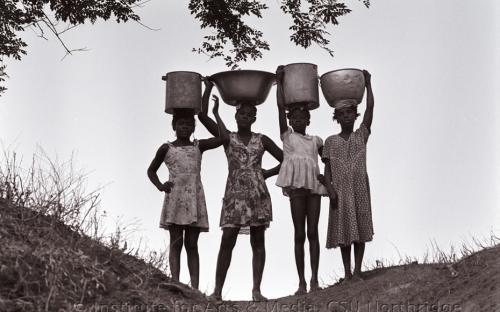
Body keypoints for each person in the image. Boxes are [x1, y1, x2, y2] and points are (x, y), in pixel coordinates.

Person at [199, 80, 283, 302]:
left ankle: (256, 290)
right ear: (236, 116)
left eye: (249, 115)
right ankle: (217, 291)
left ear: (254, 118)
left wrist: (267, 173)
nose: (245, 117)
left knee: (258, 241)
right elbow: (202, 116)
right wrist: (209, 89)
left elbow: (286, 159)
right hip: (234, 196)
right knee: (227, 240)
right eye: (241, 114)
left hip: (257, 196)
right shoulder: (227, 138)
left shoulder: (261, 139)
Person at [147, 104, 224, 290]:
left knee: (192, 244)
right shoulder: (166, 148)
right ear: (174, 126)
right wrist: (160, 186)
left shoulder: (199, 146)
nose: (185, 127)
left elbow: (223, 138)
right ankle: (175, 282)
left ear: (193, 128)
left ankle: (195, 288)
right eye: (181, 124)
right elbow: (151, 171)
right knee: (176, 242)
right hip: (175, 199)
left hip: (194, 199)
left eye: (189, 124)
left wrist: (212, 113)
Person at [274, 66, 327, 294]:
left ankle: (315, 279)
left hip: (314, 186)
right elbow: (278, 106)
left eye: (302, 116)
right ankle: (301, 282)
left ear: (308, 118)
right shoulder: (287, 136)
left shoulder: (316, 140)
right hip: (296, 188)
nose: (298, 119)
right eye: (294, 116)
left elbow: (328, 160)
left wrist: (331, 185)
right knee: (299, 233)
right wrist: (279, 81)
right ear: (290, 119)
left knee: (313, 232)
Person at [321, 70, 374, 282]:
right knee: (344, 230)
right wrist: (331, 190)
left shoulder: (361, 135)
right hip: (340, 191)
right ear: (336, 118)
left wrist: (368, 85)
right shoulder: (330, 141)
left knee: (359, 227)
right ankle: (347, 272)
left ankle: (358, 270)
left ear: (355, 115)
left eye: (349, 113)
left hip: (359, 187)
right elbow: (327, 170)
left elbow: (370, 109)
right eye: (341, 114)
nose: (346, 117)